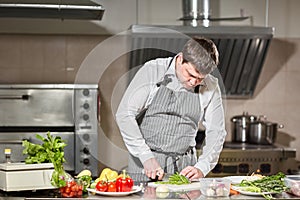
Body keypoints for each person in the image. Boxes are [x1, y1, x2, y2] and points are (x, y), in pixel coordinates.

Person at [116, 36, 227, 181]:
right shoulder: (153, 70)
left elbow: (216, 131)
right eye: (190, 74)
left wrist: (202, 167)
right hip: (146, 166)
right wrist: (145, 156)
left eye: (200, 78)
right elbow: (125, 114)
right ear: (180, 59)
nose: (194, 82)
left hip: (185, 169)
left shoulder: (211, 85)